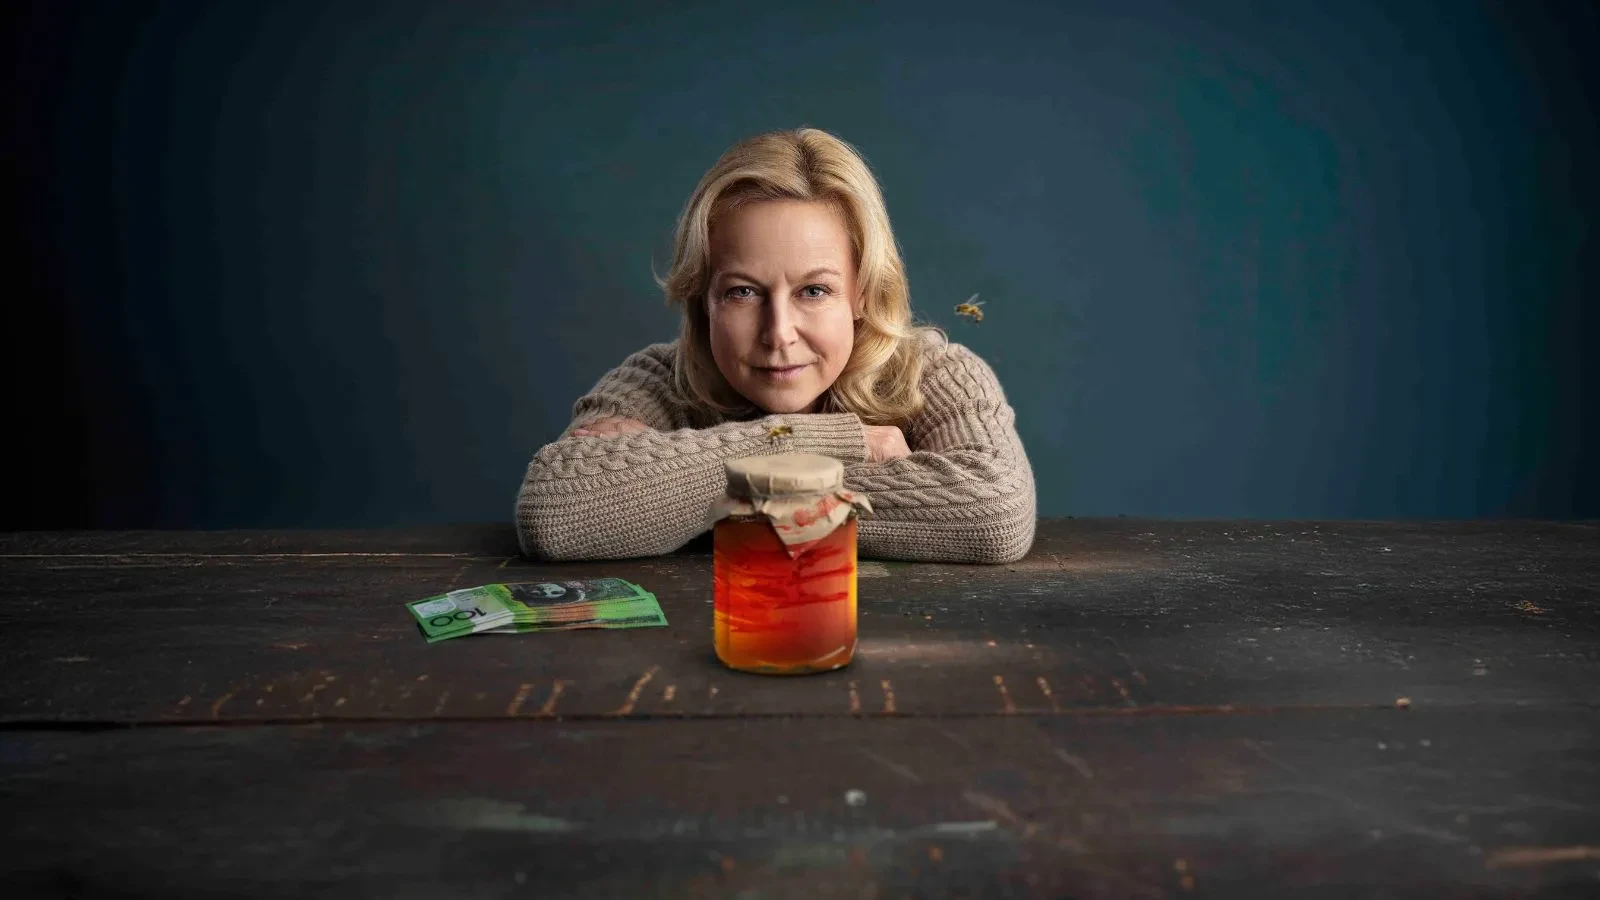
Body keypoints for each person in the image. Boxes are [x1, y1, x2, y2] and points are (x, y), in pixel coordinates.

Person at [515, 127, 1035, 563]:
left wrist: (697, 498)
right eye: (743, 292)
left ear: (862, 293)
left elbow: (995, 511)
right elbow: (554, 511)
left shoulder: (935, 373)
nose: (778, 332)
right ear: (704, 298)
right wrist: (817, 441)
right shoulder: (657, 381)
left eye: (814, 290)